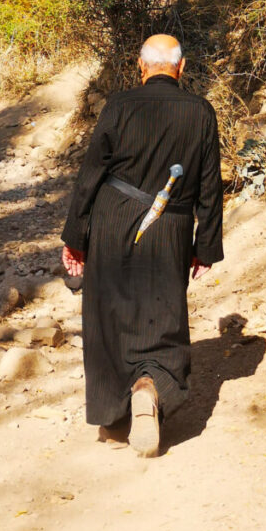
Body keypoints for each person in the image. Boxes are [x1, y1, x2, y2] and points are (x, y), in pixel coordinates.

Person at [61, 34, 224, 456]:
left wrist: (75, 237)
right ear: (181, 68)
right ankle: (150, 386)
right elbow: (210, 186)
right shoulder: (202, 113)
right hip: (169, 226)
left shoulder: (119, 106)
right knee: (162, 312)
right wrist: (204, 245)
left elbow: (90, 174)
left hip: (112, 219)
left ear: (141, 66)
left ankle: (116, 413)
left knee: (109, 312)